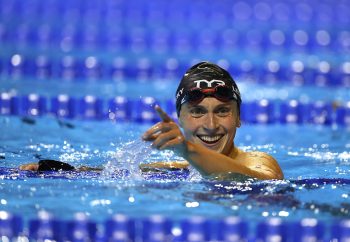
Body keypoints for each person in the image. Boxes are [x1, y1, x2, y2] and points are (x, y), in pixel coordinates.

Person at [20, 61, 283, 180]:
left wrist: (187, 149)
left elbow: (264, 182)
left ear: (239, 118)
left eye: (223, 111)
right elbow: (116, 173)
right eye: (197, 111)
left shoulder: (260, 162)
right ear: (180, 118)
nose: (211, 124)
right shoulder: (182, 167)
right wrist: (58, 170)